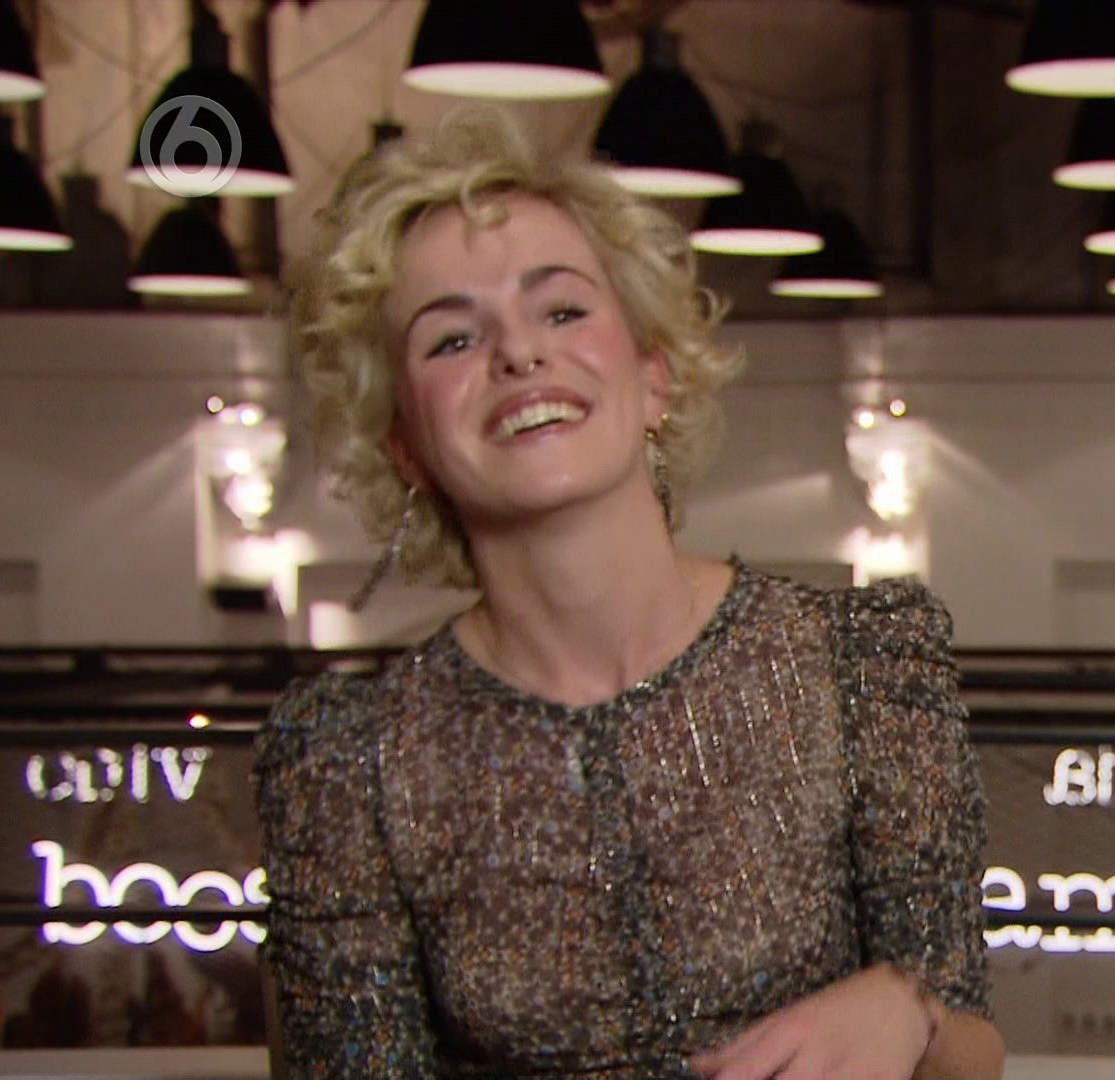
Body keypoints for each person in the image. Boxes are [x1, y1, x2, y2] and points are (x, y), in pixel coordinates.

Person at [254, 106, 1004, 1080]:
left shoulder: (860, 667)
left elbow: (974, 1048)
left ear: (654, 376)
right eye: (451, 340)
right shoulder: (350, 764)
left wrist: (914, 1016)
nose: (519, 354)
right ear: (405, 448)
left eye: (562, 311)